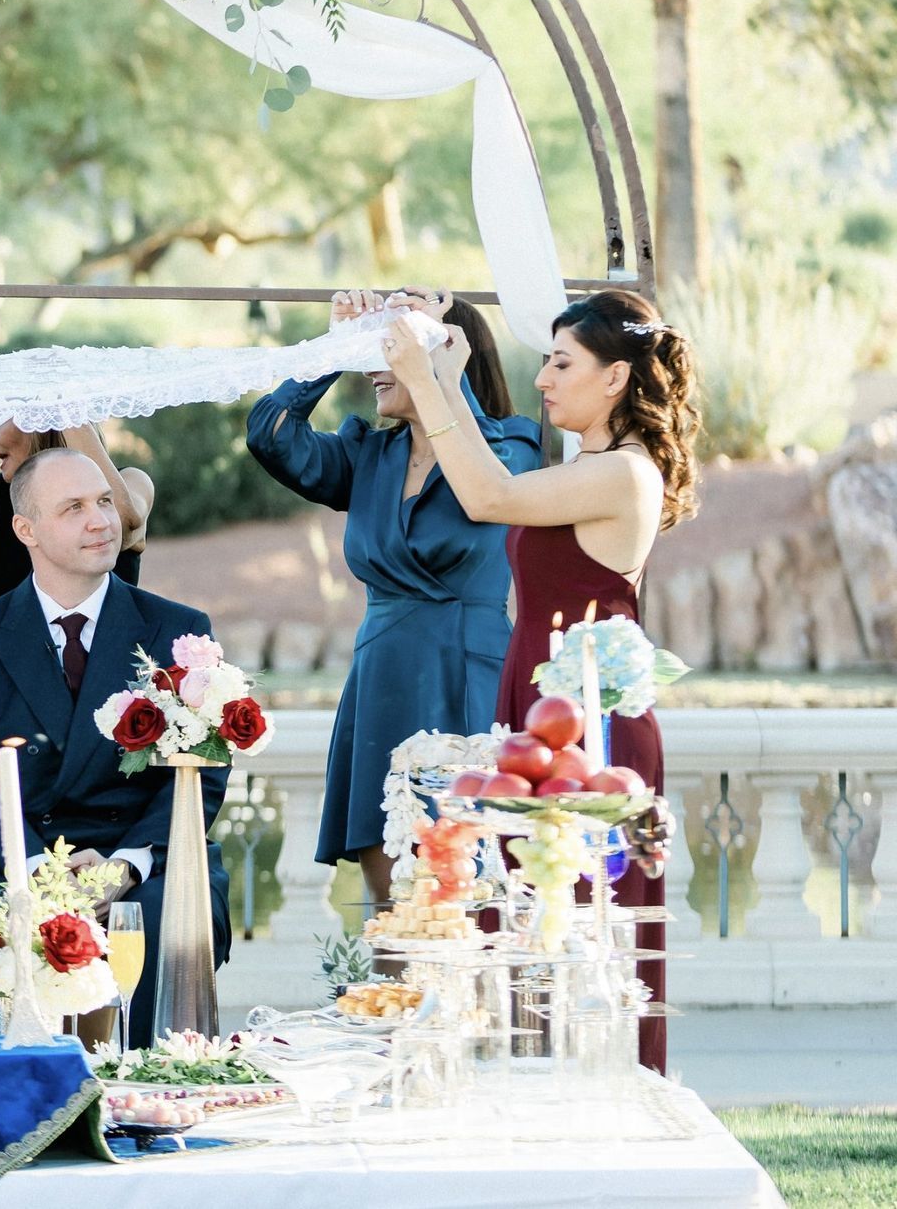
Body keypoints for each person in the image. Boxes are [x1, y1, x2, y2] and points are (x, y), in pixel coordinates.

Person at [383, 286, 700, 1072]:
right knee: (529, 917)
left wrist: (428, 382)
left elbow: (488, 494)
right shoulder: (587, 464)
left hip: (591, 732)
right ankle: (535, 1090)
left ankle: (607, 1097)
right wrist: (445, 383)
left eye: (562, 363)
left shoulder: (625, 473)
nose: (543, 380)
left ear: (617, 378)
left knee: (585, 925)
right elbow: (489, 473)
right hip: (539, 709)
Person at [247, 289, 540, 912]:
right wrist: (330, 348)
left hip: (469, 678)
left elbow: (487, 489)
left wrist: (441, 382)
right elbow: (270, 436)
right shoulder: (366, 455)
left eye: (393, 345)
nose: (376, 363)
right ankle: (390, 1009)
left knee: (474, 886)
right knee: (390, 896)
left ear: (448, 353)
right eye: (374, 347)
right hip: (381, 681)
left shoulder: (514, 446)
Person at [0, 448, 229, 1048]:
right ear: (26, 530)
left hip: (147, 858)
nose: (102, 520)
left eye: (102, 502)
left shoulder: (177, 630)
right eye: (74, 508)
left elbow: (202, 774)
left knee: (163, 911)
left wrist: (124, 864)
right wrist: (44, 871)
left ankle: (157, 1087)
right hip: (20, 859)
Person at [0, 420, 155, 602]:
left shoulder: (133, 481)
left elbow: (122, 525)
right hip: (15, 657)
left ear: (39, 421)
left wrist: (62, 405)